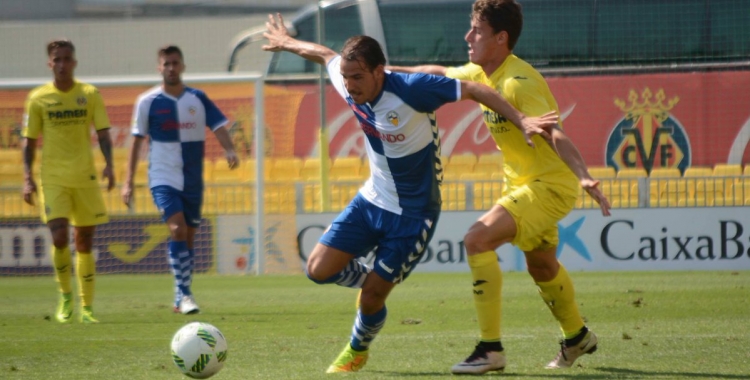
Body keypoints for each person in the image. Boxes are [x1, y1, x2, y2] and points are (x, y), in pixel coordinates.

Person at [262, 13, 559, 373]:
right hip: (372, 200)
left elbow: (476, 89)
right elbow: (324, 54)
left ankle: (358, 348)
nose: (350, 85)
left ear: (379, 72)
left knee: (371, 300)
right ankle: (372, 282)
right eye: (347, 77)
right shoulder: (346, 80)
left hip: (413, 215)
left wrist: (521, 119)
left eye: (358, 77)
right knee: (317, 269)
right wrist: (287, 43)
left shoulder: (412, 89)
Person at [388, 0, 611, 374]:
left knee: (477, 239)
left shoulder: (518, 82)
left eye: (476, 30)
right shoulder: (480, 71)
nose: (467, 36)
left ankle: (490, 349)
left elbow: (554, 132)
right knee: (541, 265)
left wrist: (583, 175)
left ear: (500, 38)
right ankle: (577, 337)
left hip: (549, 187)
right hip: (523, 183)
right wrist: (384, 72)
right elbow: (436, 72)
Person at [121, 45, 238, 315]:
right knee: (177, 230)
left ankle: (179, 293)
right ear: (159, 68)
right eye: (166, 64)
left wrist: (229, 149)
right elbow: (137, 142)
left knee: (188, 237)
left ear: (182, 66)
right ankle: (185, 294)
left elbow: (218, 125)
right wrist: (127, 181)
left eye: (175, 63)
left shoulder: (197, 98)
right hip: (163, 177)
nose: (171, 68)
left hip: (193, 179)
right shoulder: (147, 101)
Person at [22, 39, 115, 324]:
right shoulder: (38, 98)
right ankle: (65, 298)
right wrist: (27, 177)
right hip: (53, 178)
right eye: (57, 59)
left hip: (85, 177)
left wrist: (110, 165)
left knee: (84, 242)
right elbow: (29, 141)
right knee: (59, 236)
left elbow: (102, 133)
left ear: (74, 62)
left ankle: (86, 307)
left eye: (66, 59)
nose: (62, 64)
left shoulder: (89, 94)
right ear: (50, 63)